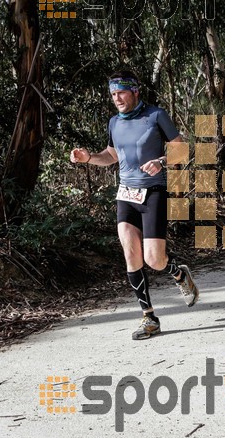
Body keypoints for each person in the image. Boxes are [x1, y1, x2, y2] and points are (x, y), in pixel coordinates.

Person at [70, 69, 199, 339]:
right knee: (131, 253)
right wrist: (88, 158)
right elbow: (111, 155)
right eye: (113, 94)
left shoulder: (155, 116)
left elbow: (182, 149)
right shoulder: (114, 123)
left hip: (153, 193)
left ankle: (178, 273)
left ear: (135, 91)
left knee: (154, 260)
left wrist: (161, 162)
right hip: (126, 195)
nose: (116, 98)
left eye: (121, 93)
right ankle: (149, 318)